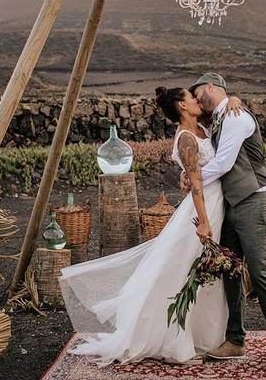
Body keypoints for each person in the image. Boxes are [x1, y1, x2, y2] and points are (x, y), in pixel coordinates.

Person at [58, 86, 244, 366]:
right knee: (183, 273)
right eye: (191, 98)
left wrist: (236, 100)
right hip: (202, 210)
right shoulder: (186, 139)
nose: (197, 100)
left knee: (206, 272)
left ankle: (203, 335)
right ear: (182, 106)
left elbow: (225, 106)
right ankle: (174, 342)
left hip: (218, 204)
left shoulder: (204, 127)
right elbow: (195, 183)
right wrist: (204, 221)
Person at [184, 72, 266, 374]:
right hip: (231, 206)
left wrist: (193, 178)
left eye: (196, 93)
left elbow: (224, 163)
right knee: (229, 272)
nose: (195, 100)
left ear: (209, 88)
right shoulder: (220, 116)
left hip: (254, 203)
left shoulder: (235, 117)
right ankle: (235, 340)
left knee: (259, 274)